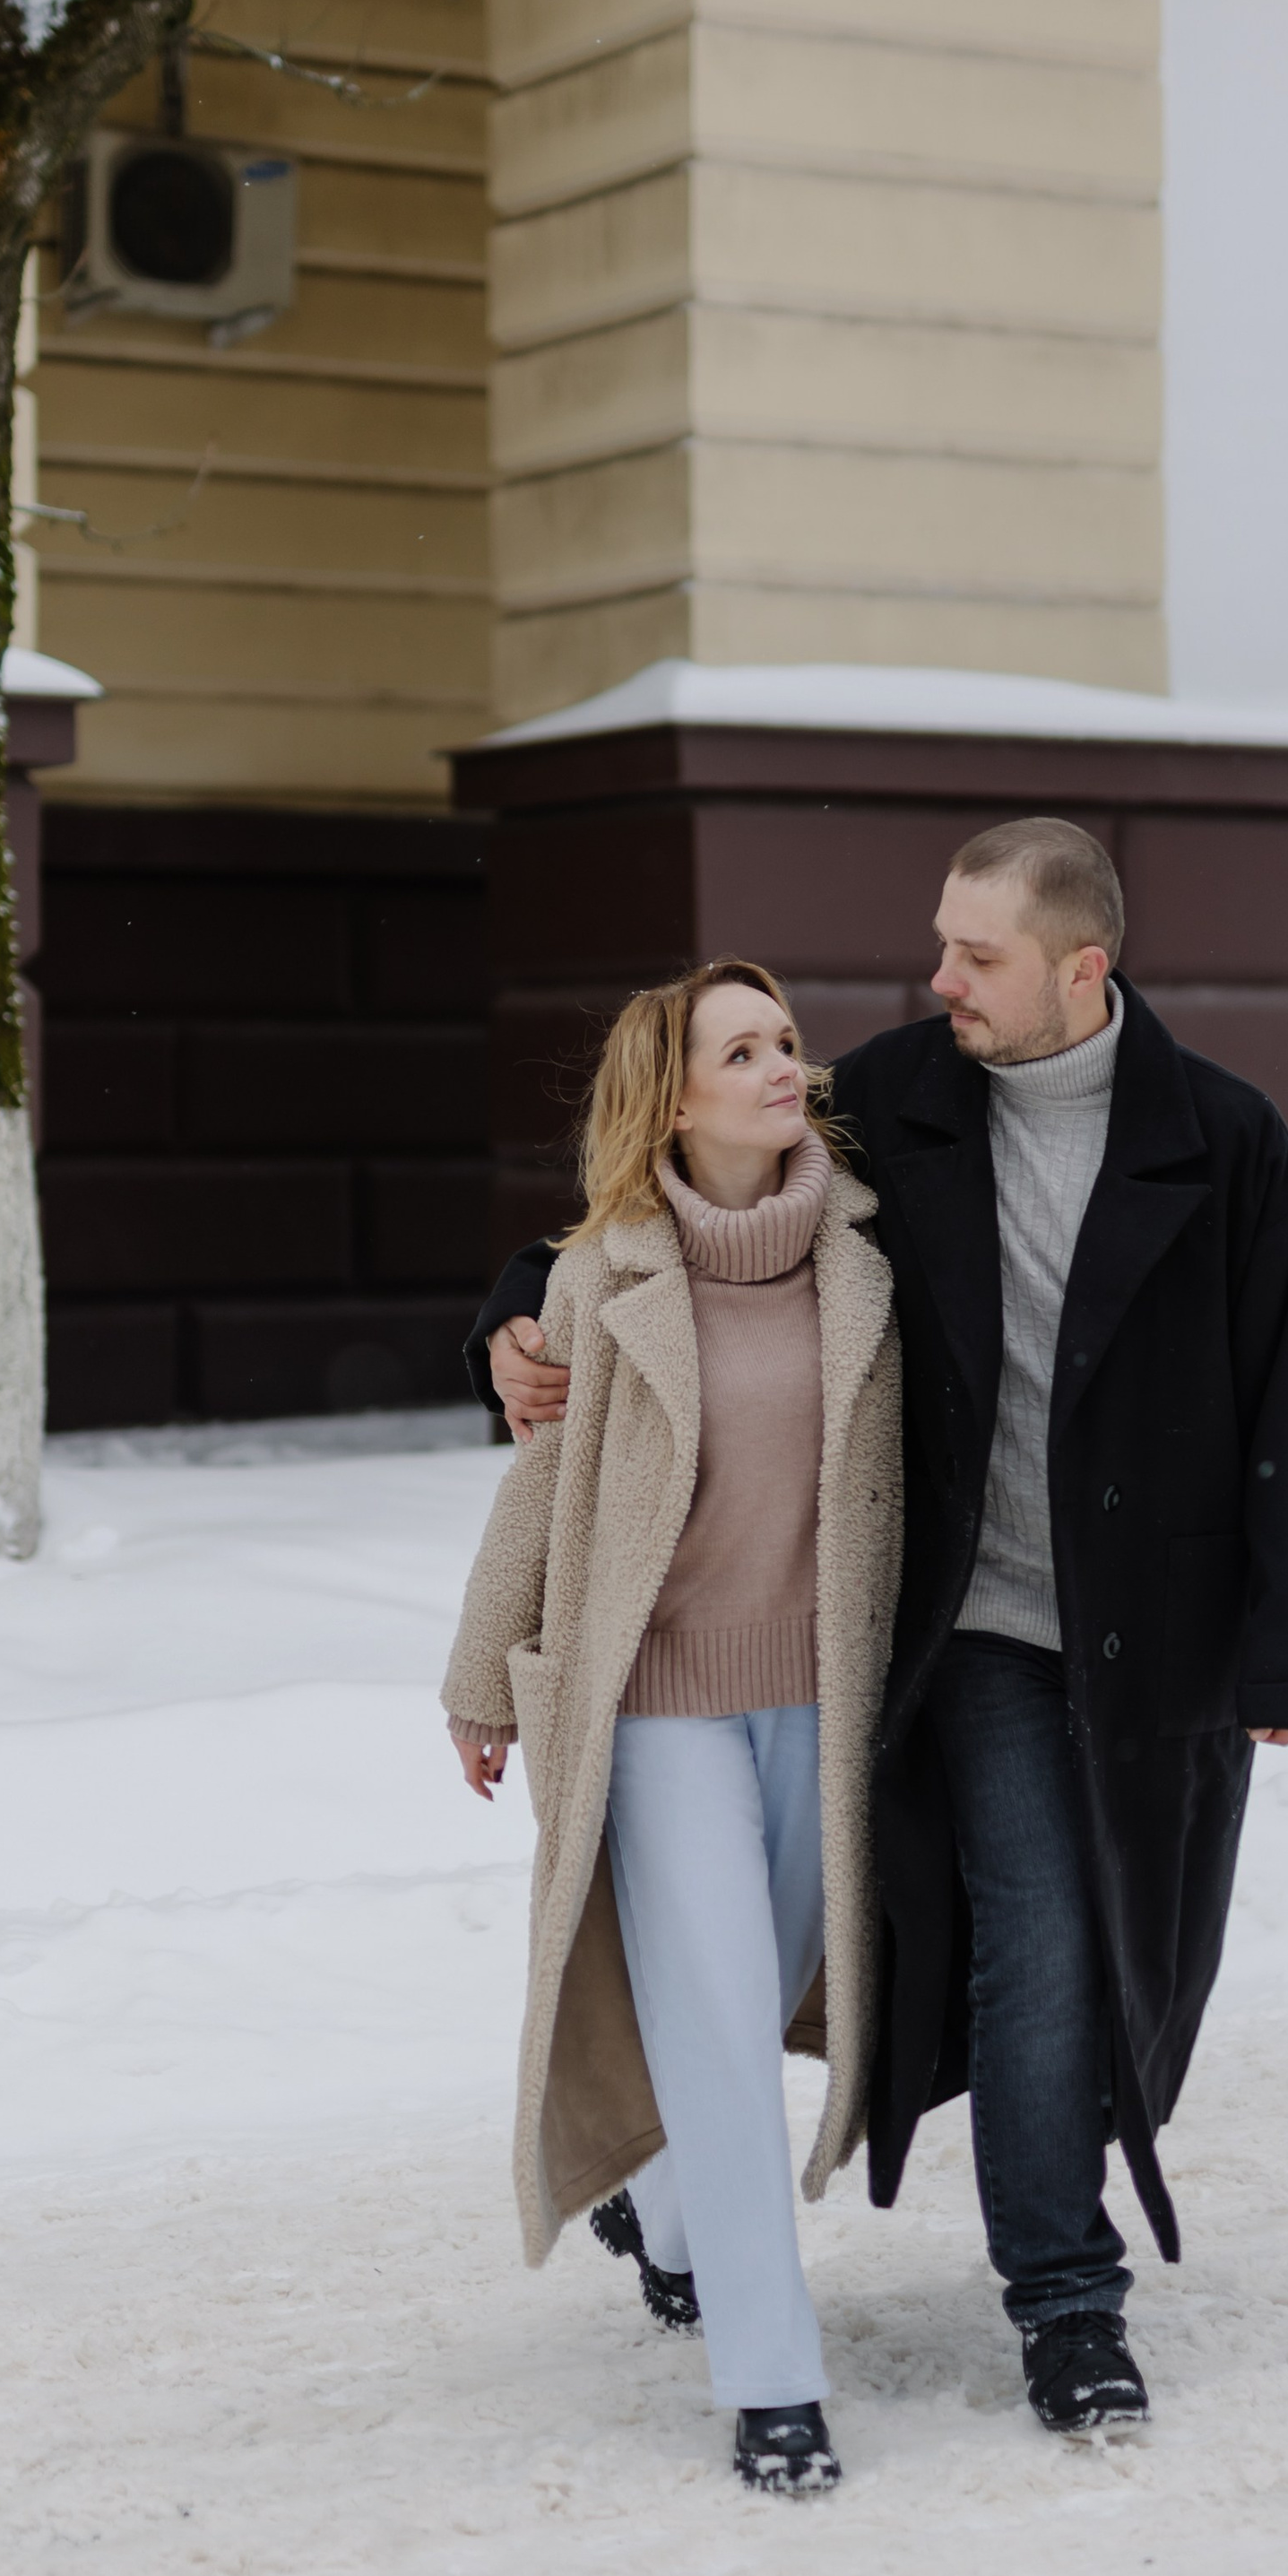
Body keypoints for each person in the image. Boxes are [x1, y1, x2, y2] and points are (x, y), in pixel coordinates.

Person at [471, 817, 1288, 2438]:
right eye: (940, 943)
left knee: (1081, 1953)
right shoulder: (897, 1095)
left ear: (1081, 969)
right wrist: (512, 1316)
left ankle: (961, 2268)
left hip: (1131, 1630)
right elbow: (668, 1199)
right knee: (1014, 1946)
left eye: (978, 955)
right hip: (953, 1625)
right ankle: (1052, 2298)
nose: (934, 976)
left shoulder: (1223, 1143)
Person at [441, 958, 900, 2494]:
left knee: (758, 1995)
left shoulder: (869, 1246)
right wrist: (476, 1674)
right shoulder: (601, 1277)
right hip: (655, 1708)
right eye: (743, 1049)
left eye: (786, 1040)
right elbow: (541, 1485)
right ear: (675, 1097)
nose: (785, 1066)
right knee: (708, 2007)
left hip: (824, 1699)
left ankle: (676, 2212)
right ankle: (772, 2380)